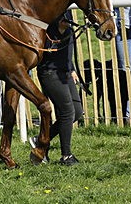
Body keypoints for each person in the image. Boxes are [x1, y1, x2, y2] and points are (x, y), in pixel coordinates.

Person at [33, 17, 83, 166]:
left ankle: (40, 139)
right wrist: (58, 32)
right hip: (50, 73)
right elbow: (46, 53)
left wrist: (72, 69)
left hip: (65, 73)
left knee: (77, 112)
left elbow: (68, 53)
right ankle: (66, 155)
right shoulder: (48, 31)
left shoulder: (70, 31)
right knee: (67, 112)